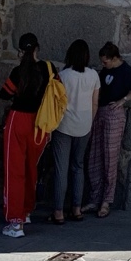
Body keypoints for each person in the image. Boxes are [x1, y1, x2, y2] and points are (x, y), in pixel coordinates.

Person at [0, 33, 51, 238]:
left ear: (20, 51)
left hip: (19, 119)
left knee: (14, 170)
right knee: (31, 168)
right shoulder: (48, 69)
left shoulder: (18, 72)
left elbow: (4, 94)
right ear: (37, 48)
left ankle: (16, 222)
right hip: (40, 123)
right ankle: (27, 210)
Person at [87, 42, 131, 217]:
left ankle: (106, 200)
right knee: (95, 156)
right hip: (100, 112)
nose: (103, 64)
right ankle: (94, 198)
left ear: (114, 58)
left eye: (105, 61)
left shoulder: (125, 70)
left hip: (113, 114)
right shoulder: (105, 71)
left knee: (110, 158)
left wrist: (123, 100)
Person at [49, 39, 99, 223]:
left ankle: (58, 212)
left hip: (64, 125)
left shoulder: (63, 75)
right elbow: (95, 102)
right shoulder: (93, 75)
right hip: (84, 125)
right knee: (78, 166)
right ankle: (77, 209)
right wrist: (89, 121)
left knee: (61, 169)